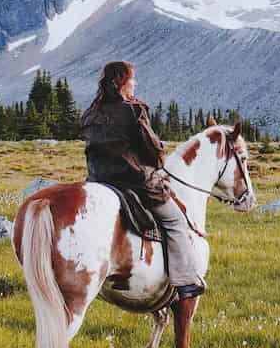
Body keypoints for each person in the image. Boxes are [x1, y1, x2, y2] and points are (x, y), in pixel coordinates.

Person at [78, 61, 205, 302]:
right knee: (175, 219)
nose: (134, 84)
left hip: (98, 180)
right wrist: (158, 158)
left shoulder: (90, 114)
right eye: (131, 80)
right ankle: (186, 282)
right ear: (121, 83)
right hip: (133, 181)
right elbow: (152, 149)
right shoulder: (133, 111)